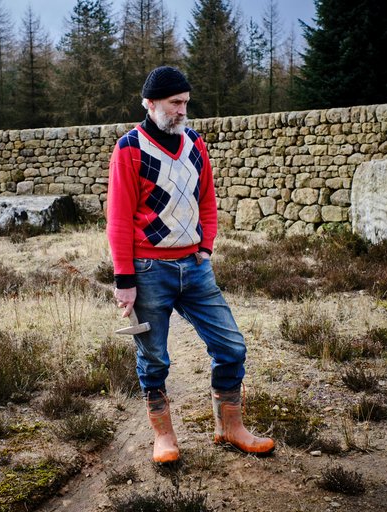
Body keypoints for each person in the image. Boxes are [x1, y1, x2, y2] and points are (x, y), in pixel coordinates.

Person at [106, 66, 275, 463]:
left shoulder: (195, 143)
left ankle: (230, 427)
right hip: (148, 270)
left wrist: (207, 247)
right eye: (174, 103)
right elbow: (117, 217)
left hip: (195, 267)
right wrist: (124, 279)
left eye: (185, 102)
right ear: (150, 104)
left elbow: (207, 201)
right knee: (154, 359)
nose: (183, 110)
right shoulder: (129, 149)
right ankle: (163, 436)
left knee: (232, 346)